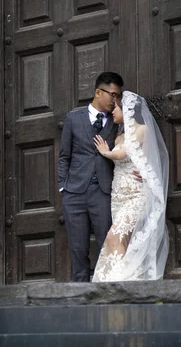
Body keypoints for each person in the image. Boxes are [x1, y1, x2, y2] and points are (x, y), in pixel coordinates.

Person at [92, 91, 169, 281]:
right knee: (121, 241)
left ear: (128, 110)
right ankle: (124, 285)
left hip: (136, 195)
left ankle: (126, 282)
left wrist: (106, 152)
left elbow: (125, 154)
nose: (112, 112)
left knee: (113, 236)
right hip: (119, 196)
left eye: (116, 108)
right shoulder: (119, 137)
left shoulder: (143, 130)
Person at [57, 72, 123, 282]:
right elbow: (64, 156)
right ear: (98, 92)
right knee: (78, 250)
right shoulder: (73, 118)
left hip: (103, 193)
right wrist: (63, 187)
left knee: (108, 247)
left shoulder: (117, 121)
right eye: (112, 94)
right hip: (74, 195)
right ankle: (79, 301)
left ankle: (109, 296)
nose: (115, 100)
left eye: (118, 96)